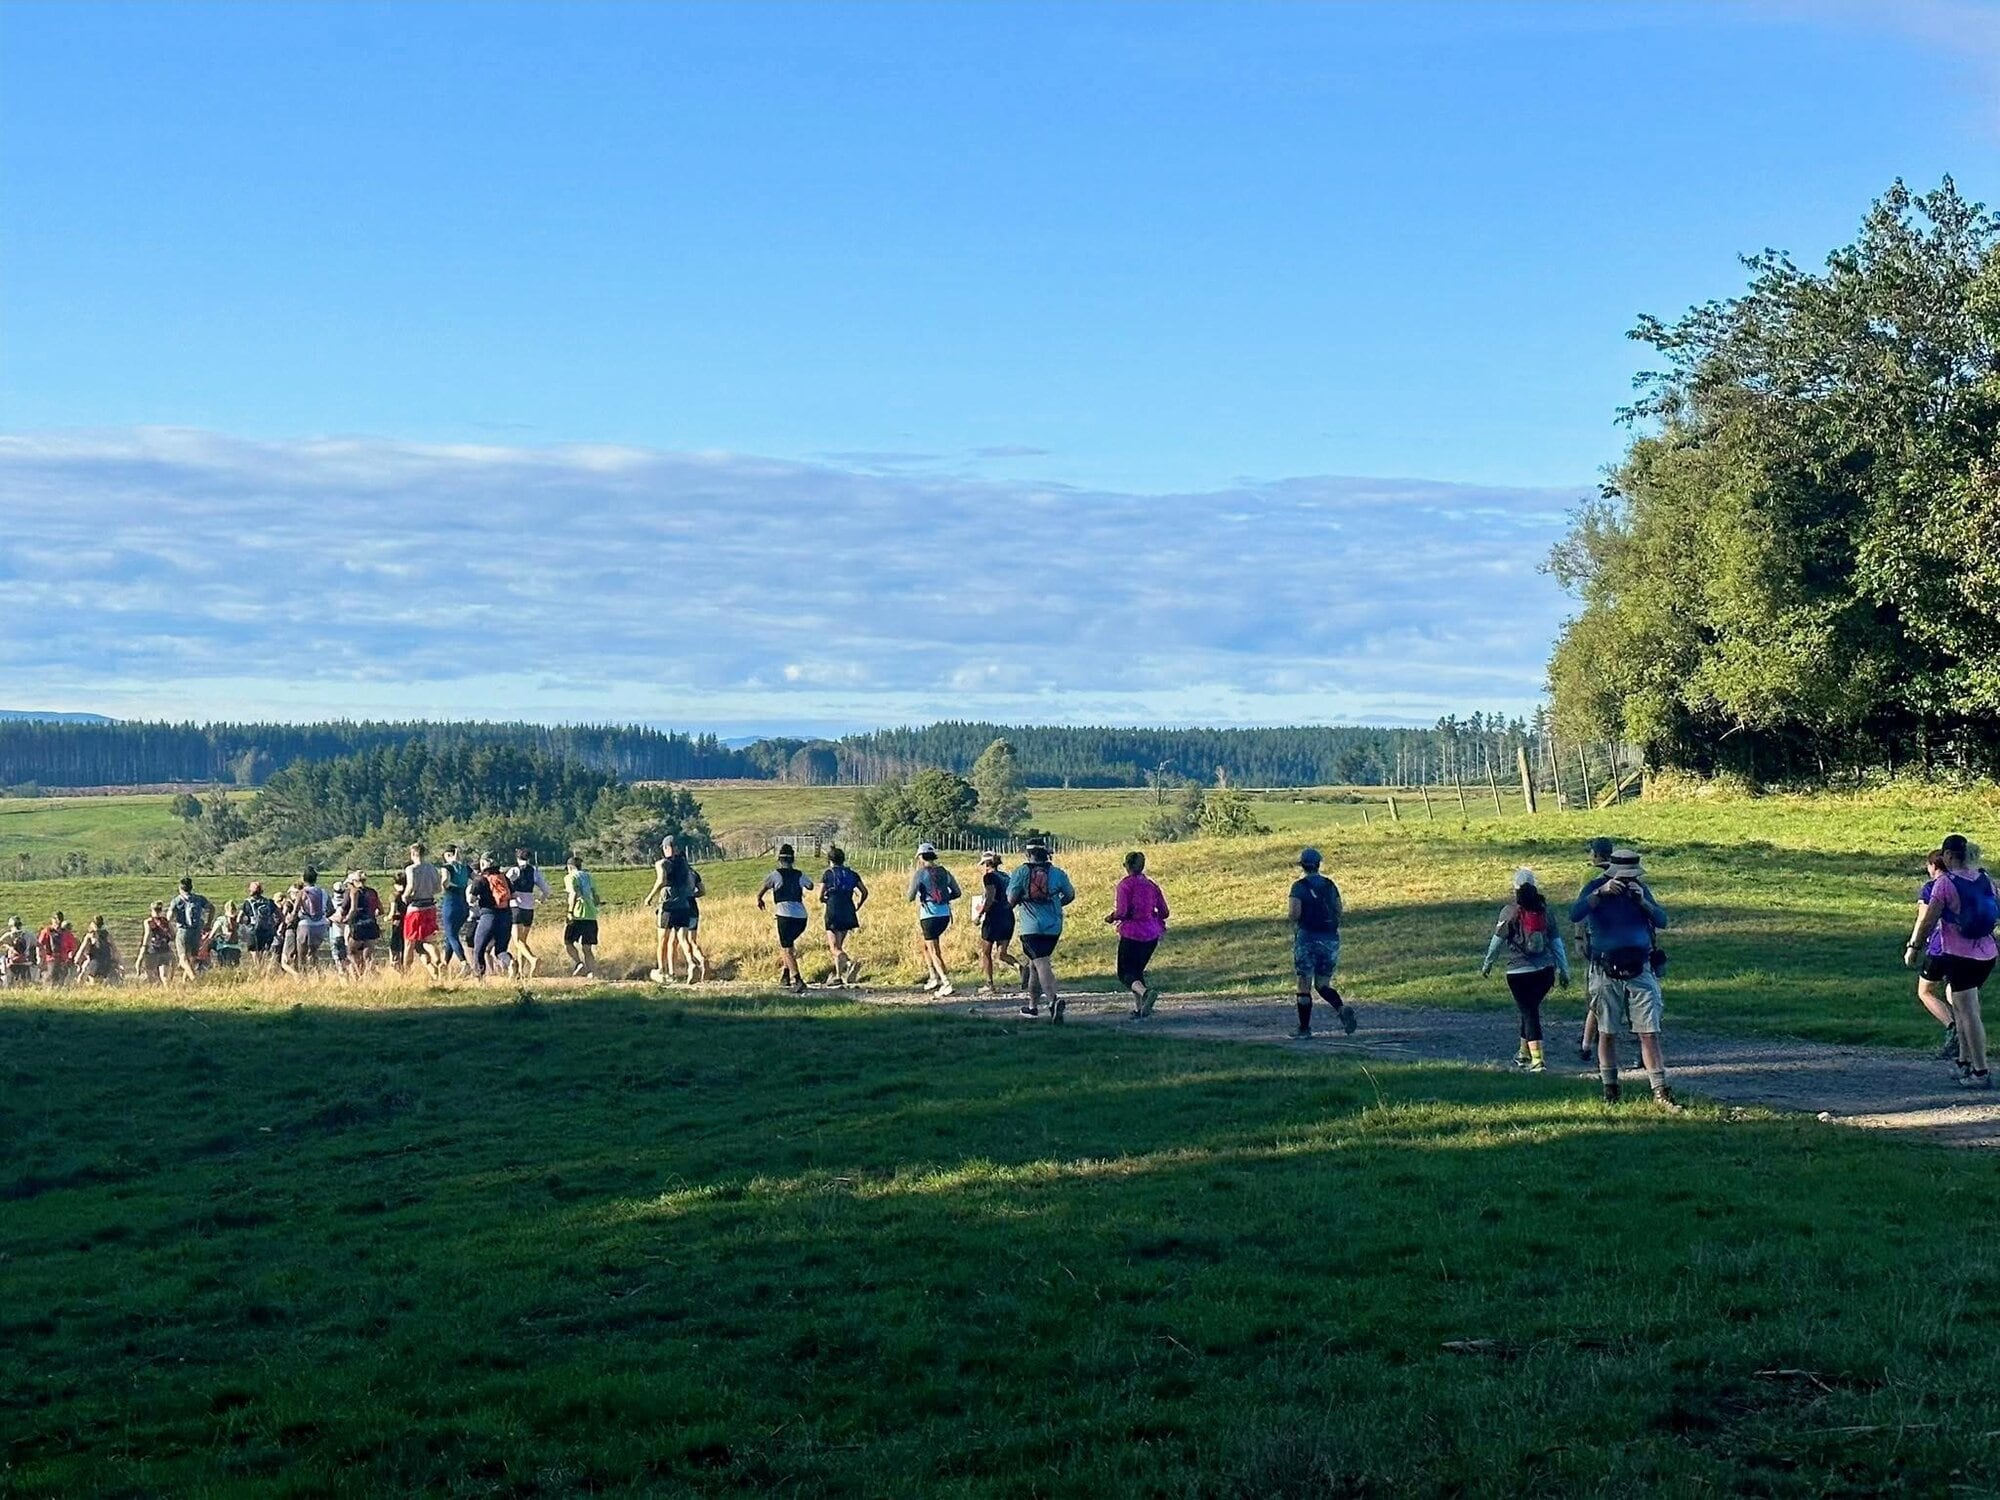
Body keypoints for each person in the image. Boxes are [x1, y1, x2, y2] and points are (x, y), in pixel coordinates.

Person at [1571, 847, 1678, 1109]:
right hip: (1605, 969)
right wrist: (1600, 894)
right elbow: (1575, 914)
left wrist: (1643, 901)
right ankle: (1610, 1090)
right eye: (1624, 878)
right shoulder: (1595, 887)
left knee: (1649, 1032)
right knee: (1607, 1032)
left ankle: (1660, 1091)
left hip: (1640, 968)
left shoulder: (1641, 890)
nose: (1627, 882)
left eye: (1631, 877)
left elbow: (1662, 920)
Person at [1906, 832, 1997, 1089]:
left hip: (1960, 954)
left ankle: (1980, 1072)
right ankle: (1964, 1063)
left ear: (1947, 856)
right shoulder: (1985, 879)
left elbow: (1928, 920)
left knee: (1968, 1014)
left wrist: (1915, 946)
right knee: (1961, 1006)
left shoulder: (1945, 883)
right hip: (1986, 953)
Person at [1480, 867, 1571, 1072]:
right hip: (1545, 972)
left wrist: (1488, 963)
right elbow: (1557, 945)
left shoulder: (1509, 912)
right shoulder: (1546, 911)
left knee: (1530, 1012)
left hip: (1518, 973)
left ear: (1515, 889)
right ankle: (1523, 1053)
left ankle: (1537, 1060)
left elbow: (1496, 943)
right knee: (1529, 1010)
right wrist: (1564, 971)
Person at [1288, 848, 1355, 1038]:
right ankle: (1341, 1008)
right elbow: (1339, 909)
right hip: (1330, 939)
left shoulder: (1299, 887)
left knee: (1304, 984)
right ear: (1318, 864)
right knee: (1323, 983)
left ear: (1302, 866)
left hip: (1307, 938)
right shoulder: (1329, 885)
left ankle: (1304, 1029)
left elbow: (1294, 913)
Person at [1009, 841, 1076, 1021]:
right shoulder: (1058, 873)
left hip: (1030, 927)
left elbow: (1011, 900)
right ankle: (1032, 1006)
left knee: (1041, 963)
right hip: (1053, 926)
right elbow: (1070, 895)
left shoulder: (1021, 872)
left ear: (1028, 855)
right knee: (1034, 965)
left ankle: (1053, 1001)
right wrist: (1055, 904)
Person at [1108, 850, 1170, 1018]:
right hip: (1151, 934)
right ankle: (1140, 1009)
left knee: (1125, 973)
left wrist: (1111, 917)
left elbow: (1122, 911)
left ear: (1126, 866)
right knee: (1137, 971)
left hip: (1132, 933)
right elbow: (1164, 912)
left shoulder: (1125, 885)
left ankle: (1146, 993)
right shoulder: (1152, 885)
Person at [1915, 850, 1961, 1060]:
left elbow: (1923, 920)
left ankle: (1952, 1027)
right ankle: (1965, 1026)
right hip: (1963, 947)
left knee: (1925, 990)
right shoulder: (1960, 883)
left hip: (1938, 947)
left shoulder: (1930, 888)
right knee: (1956, 989)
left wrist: (1913, 945)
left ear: (1933, 866)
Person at [1575, 837, 1614, 1061]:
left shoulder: (1589, 876)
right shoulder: (1622, 871)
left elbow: (1582, 907)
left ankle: (1587, 1042)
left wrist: (1578, 936)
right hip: (1618, 938)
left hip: (1594, 937)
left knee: (1595, 992)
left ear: (1596, 855)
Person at [908, 842, 962, 998]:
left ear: (920, 857)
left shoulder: (920, 873)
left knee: (934, 950)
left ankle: (946, 982)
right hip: (945, 914)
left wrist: (922, 894)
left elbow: (910, 897)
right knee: (926, 947)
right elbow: (957, 892)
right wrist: (944, 898)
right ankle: (933, 977)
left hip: (929, 915)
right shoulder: (945, 872)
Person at [758, 844, 815, 993]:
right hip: (801, 916)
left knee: (786, 949)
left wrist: (759, 899)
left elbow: (764, 888)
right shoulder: (799, 874)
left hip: (784, 914)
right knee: (788, 946)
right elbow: (810, 886)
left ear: (779, 859)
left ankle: (797, 979)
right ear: (793, 860)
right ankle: (785, 974)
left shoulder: (775, 874)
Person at [645, 835, 699, 984]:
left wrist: (649, 897)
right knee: (682, 938)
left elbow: (661, 880)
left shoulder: (662, 863)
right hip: (683, 904)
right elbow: (690, 884)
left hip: (667, 905)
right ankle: (691, 963)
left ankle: (662, 971)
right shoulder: (684, 864)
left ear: (667, 848)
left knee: (662, 939)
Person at [817, 846, 868, 986]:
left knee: (834, 947)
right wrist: (859, 904)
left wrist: (824, 900)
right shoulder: (852, 874)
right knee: (839, 944)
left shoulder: (828, 874)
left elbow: (820, 895)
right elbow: (864, 891)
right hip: (848, 908)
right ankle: (839, 976)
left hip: (833, 908)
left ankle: (850, 962)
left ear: (830, 860)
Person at [973, 852, 1022, 999]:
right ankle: (1021, 967)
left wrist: (980, 914)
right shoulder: (1006, 876)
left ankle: (989, 984)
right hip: (1008, 915)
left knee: (986, 951)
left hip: (994, 917)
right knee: (1002, 953)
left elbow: (989, 897)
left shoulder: (989, 877)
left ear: (987, 864)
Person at [507, 848, 552, 979]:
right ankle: (521, 971)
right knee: (523, 942)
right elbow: (546, 890)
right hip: (529, 907)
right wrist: (542, 899)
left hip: (516, 906)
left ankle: (533, 959)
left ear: (517, 858)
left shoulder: (514, 870)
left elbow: (505, 884)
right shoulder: (535, 871)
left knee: (517, 941)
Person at [402, 841, 444, 975]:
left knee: (409, 941)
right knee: (428, 939)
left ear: (413, 853)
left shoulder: (411, 869)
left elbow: (411, 886)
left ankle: (406, 971)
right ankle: (437, 959)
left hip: (416, 907)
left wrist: (405, 896)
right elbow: (438, 888)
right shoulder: (432, 868)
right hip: (430, 906)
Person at [471, 859, 515, 979]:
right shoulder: (504, 878)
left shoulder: (481, 879)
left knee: (479, 948)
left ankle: (480, 977)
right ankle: (510, 962)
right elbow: (514, 895)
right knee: (500, 950)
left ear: (484, 865)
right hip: (506, 916)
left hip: (488, 916)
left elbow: (471, 899)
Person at [562, 853, 601, 977]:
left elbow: (573, 894)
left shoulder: (570, 877)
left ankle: (579, 963)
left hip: (578, 914)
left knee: (568, 941)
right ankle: (592, 972)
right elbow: (596, 897)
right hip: (591, 915)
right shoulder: (589, 877)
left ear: (570, 867)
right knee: (587, 947)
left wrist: (570, 912)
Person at [438, 843, 473, 976]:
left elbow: (445, 880)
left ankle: (464, 963)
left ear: (448, 855)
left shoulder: (447, 867)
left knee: (451, 935)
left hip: (451, 903)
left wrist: (442, 886)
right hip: (464, 905)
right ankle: (444, 964)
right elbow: (476, 879)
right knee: (450, 935)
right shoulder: (465, 868)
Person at [168, 876, 211, 983]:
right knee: (192, 957)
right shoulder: (199, 899)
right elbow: (212, 908)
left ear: (180, 888)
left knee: (183, 959)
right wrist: (208, 922)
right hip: (196, 931)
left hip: (183, 930)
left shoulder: (177, 900)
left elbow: (169, 917)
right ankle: (185, 981)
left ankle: (194, 978)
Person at [344, 872, 383, 977]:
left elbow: (353, 909)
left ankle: (359, 973)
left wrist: (346, 919)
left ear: (355, 881)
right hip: (371, 925)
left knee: (351, 952)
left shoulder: (355, 892)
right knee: (368, 956)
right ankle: (370, 975)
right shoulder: (372, 892)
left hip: (358, 926)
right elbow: (381, 910)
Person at [293, 868, 332, 972]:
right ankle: (316, 973)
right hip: (321, 925)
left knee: (302, 954)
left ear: (303, 879)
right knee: (314, 952)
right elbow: (331, 909)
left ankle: (303, 975)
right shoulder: (323, 892)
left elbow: (295, 911)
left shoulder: (302, 893)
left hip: (305, 924)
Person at [242, 881, 281, 971]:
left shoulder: (247, 903)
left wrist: (245, 924)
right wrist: (274, 925)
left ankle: (259, 971)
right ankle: (264, 971)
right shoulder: (268, 902)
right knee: (264, 953)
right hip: (267, 930)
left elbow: (239, 918)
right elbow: (280, 915)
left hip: (253, 930)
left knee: (255, 954)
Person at [37, 911, 79, 986]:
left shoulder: (49, 931)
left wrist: (41, 958)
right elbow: (40, 945)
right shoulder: (64, 933)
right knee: (56, 981)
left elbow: (39, 945)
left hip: (56, 960)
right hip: (56, 959)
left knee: (56, 981)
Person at [76, 916, 120, 985]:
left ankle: (78, 987)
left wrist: (76, 959)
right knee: (100, 983)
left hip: (94, 963)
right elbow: (114, 948)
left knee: (85, 977)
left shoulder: (90, 935)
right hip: (106, 962)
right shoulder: (107, 935)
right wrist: (117, 960)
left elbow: (81, 949)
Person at [139, 901, 175, 985]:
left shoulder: (149, 921)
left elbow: (147, 936)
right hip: (165, 950)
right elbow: (173, 935)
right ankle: (168, 991)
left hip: (152, 951)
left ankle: (156, 993)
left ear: (151, 910)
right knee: (165, 976)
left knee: (152, 977)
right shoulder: (165, 921)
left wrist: (142, 951)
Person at [208, 901, 245, 969]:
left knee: (223, 966)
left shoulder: (221, 919)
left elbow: (212, 934)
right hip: (236, 947)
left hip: (223, 947)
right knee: (235, 967)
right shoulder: (238, 920)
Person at [385, 872, 409, 970]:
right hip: (408, 922)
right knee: (405, 946)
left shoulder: (394, 896)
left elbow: (392, 913)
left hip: (397, 923)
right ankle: (405, 966)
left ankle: (395, 965)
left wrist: (386, 918)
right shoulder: (409, 894)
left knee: (394, 946)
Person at [2, 915, 33, 988]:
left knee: (11, 984)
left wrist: (8, 947)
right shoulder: (28, 934)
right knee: (25, 984)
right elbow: (37, 944)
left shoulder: (9, 935)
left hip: (13, 963)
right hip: (25, 962)